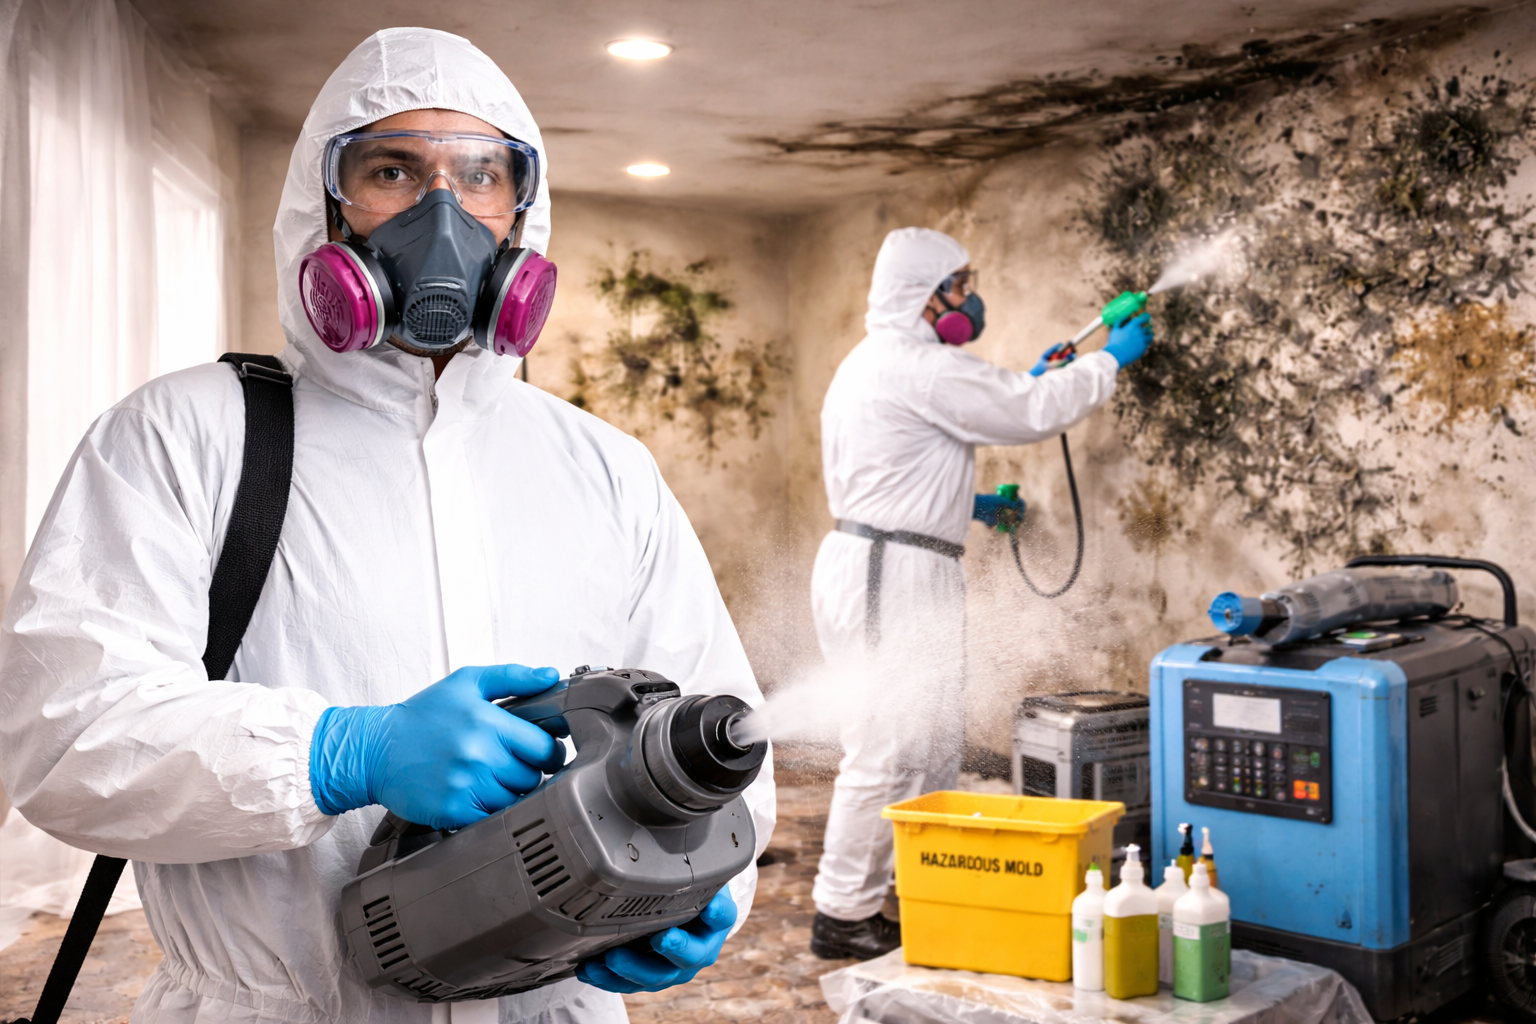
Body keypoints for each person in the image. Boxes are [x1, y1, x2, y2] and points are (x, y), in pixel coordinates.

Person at [0, 28, 775, 1024]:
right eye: (393, 169)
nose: (442, 213)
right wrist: (338, 751)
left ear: (521, 211)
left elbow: (718, 736)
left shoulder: (606, 470)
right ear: (327, 205)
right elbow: (62, 741)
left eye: (481, 173)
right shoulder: (184, 434)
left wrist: (697, 893)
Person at [807, 227, 1150, 960]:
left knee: (929, 741)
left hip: (905, 560)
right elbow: (1025, 410)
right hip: (887, 572)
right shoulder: (912, 365)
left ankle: (902, 890)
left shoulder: (897, 366)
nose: (969, 299)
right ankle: (842, 911)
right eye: (959, 285)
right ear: (924, 297)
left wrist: (970, 504)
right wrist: (1105, 364)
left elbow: (900, 461)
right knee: (889, 743)